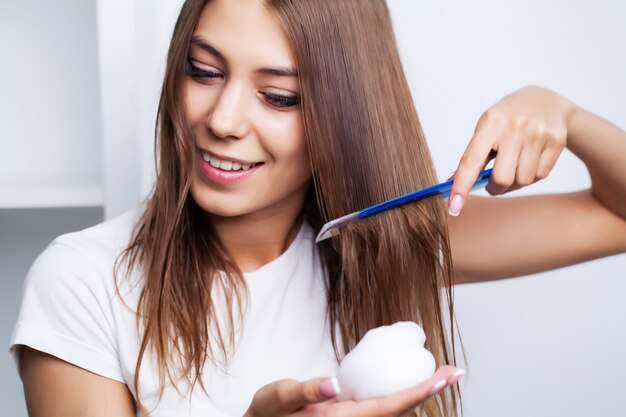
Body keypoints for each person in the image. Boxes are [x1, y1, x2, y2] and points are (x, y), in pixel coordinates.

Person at [10, 0, 626, 416]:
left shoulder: (386, 241)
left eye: (278, 97)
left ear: (345, 118)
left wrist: (566, 116)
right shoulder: (84, 283)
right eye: (203, 71)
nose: (221, 120)